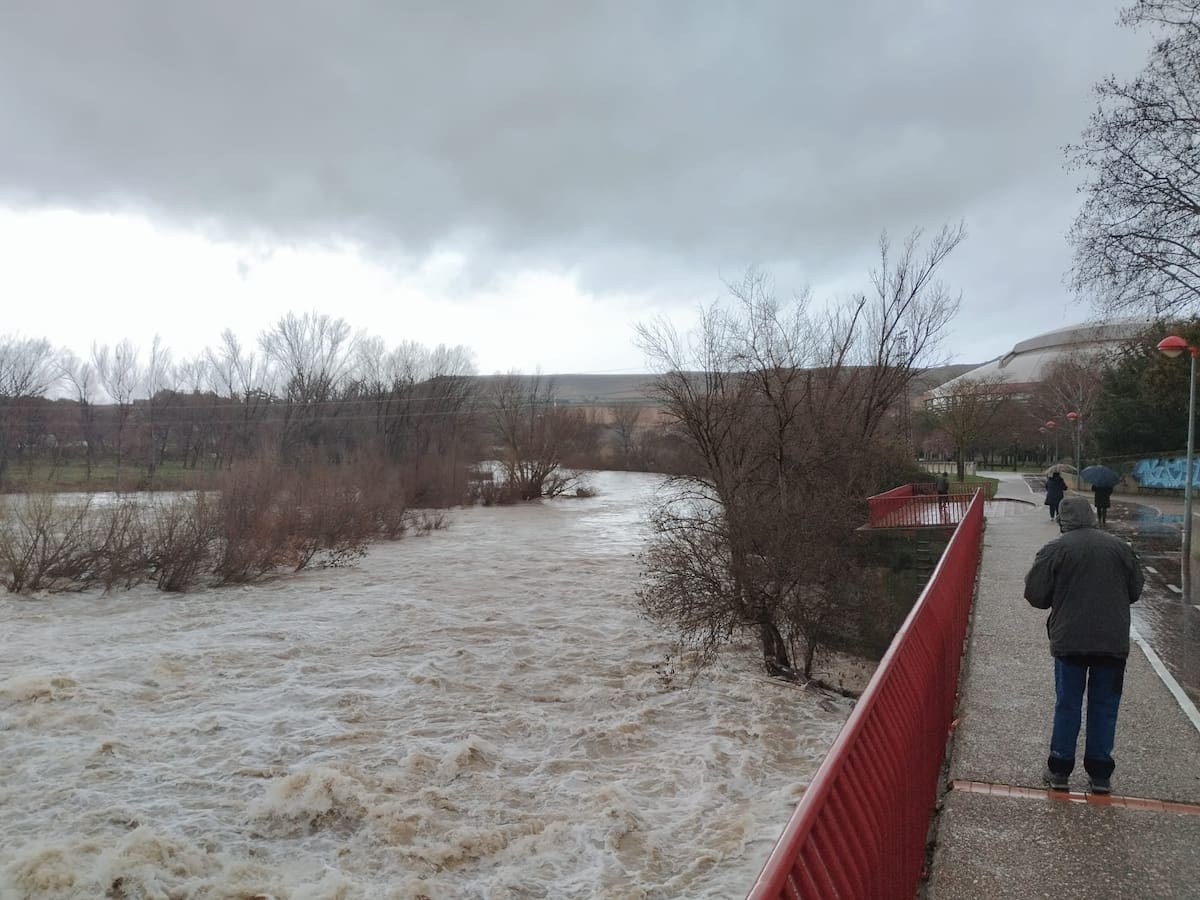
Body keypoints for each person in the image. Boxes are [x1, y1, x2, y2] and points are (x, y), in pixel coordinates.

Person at [1024, 495, 1143, 794]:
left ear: (1063, 521)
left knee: (1068, 704)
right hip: (1112, 643)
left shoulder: (1055, 550)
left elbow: (1036, 595)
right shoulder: (1120, 548)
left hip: (1069, 642)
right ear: (1090, 516)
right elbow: (1135, 591)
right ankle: (1100, 775)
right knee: (1105, 706)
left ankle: (1060, 769)